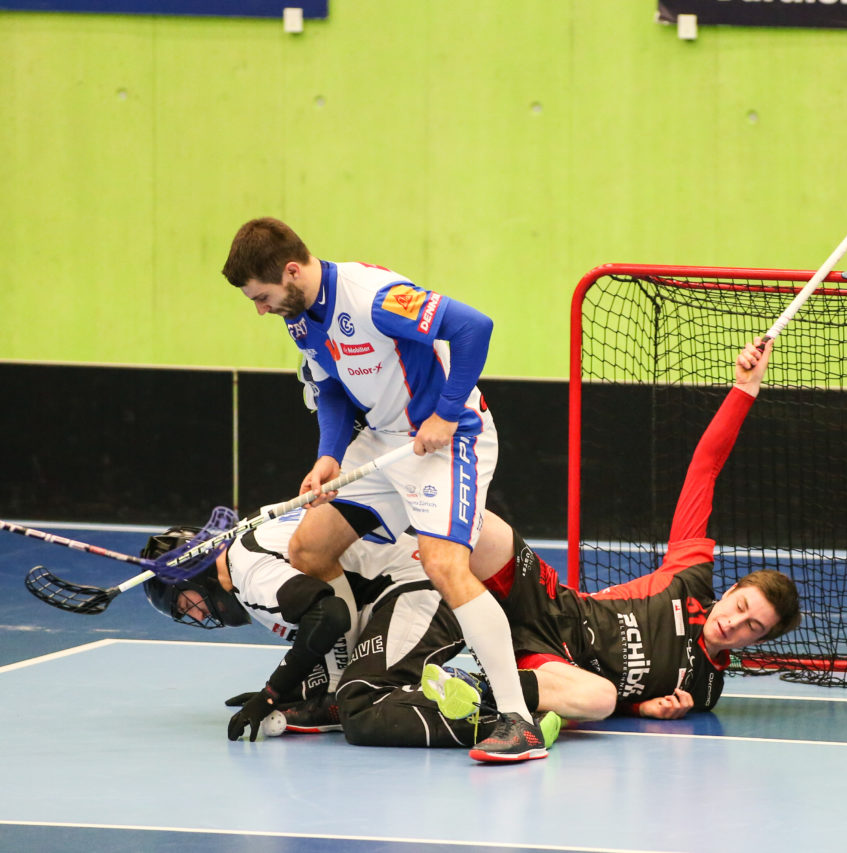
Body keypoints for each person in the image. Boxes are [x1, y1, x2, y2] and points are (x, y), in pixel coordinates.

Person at [220, 217, 542, 761]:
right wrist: (329, 455)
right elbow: (330, 388)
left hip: (445, 440)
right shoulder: (299, 318)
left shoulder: (374, 297)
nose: (261, 309)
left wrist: (446, 412)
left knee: (444, 565)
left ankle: (520, 721)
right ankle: (337, 689)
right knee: (309, 549)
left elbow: (474, 327)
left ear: (291, 271)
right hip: (383, 443)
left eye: (262, 297)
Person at [425, 337, 802, 722]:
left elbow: (618, 702)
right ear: (732, 590)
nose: (733, 623)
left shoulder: (702, 690)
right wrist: (745, 388)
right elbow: (704, 469)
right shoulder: (690, 578)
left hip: (555, 665)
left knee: (600, 699)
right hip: (548, 603)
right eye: (741, 607)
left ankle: (472, 687)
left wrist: (639, 707)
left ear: (759, 640)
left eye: (752, 626)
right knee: (475, 523)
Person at [141, 511, 559, 752]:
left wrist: (271, 692)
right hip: (389, 592)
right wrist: (292, 691)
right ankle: (501, 695)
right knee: (326, 692)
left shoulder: (249, 572)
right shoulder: (242, 554)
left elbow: (330, 617)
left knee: (361, 710)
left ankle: (512, 715)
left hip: (421, 588)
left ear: (196, 575)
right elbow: (322, 624)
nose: (195, 614)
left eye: (185, 603)